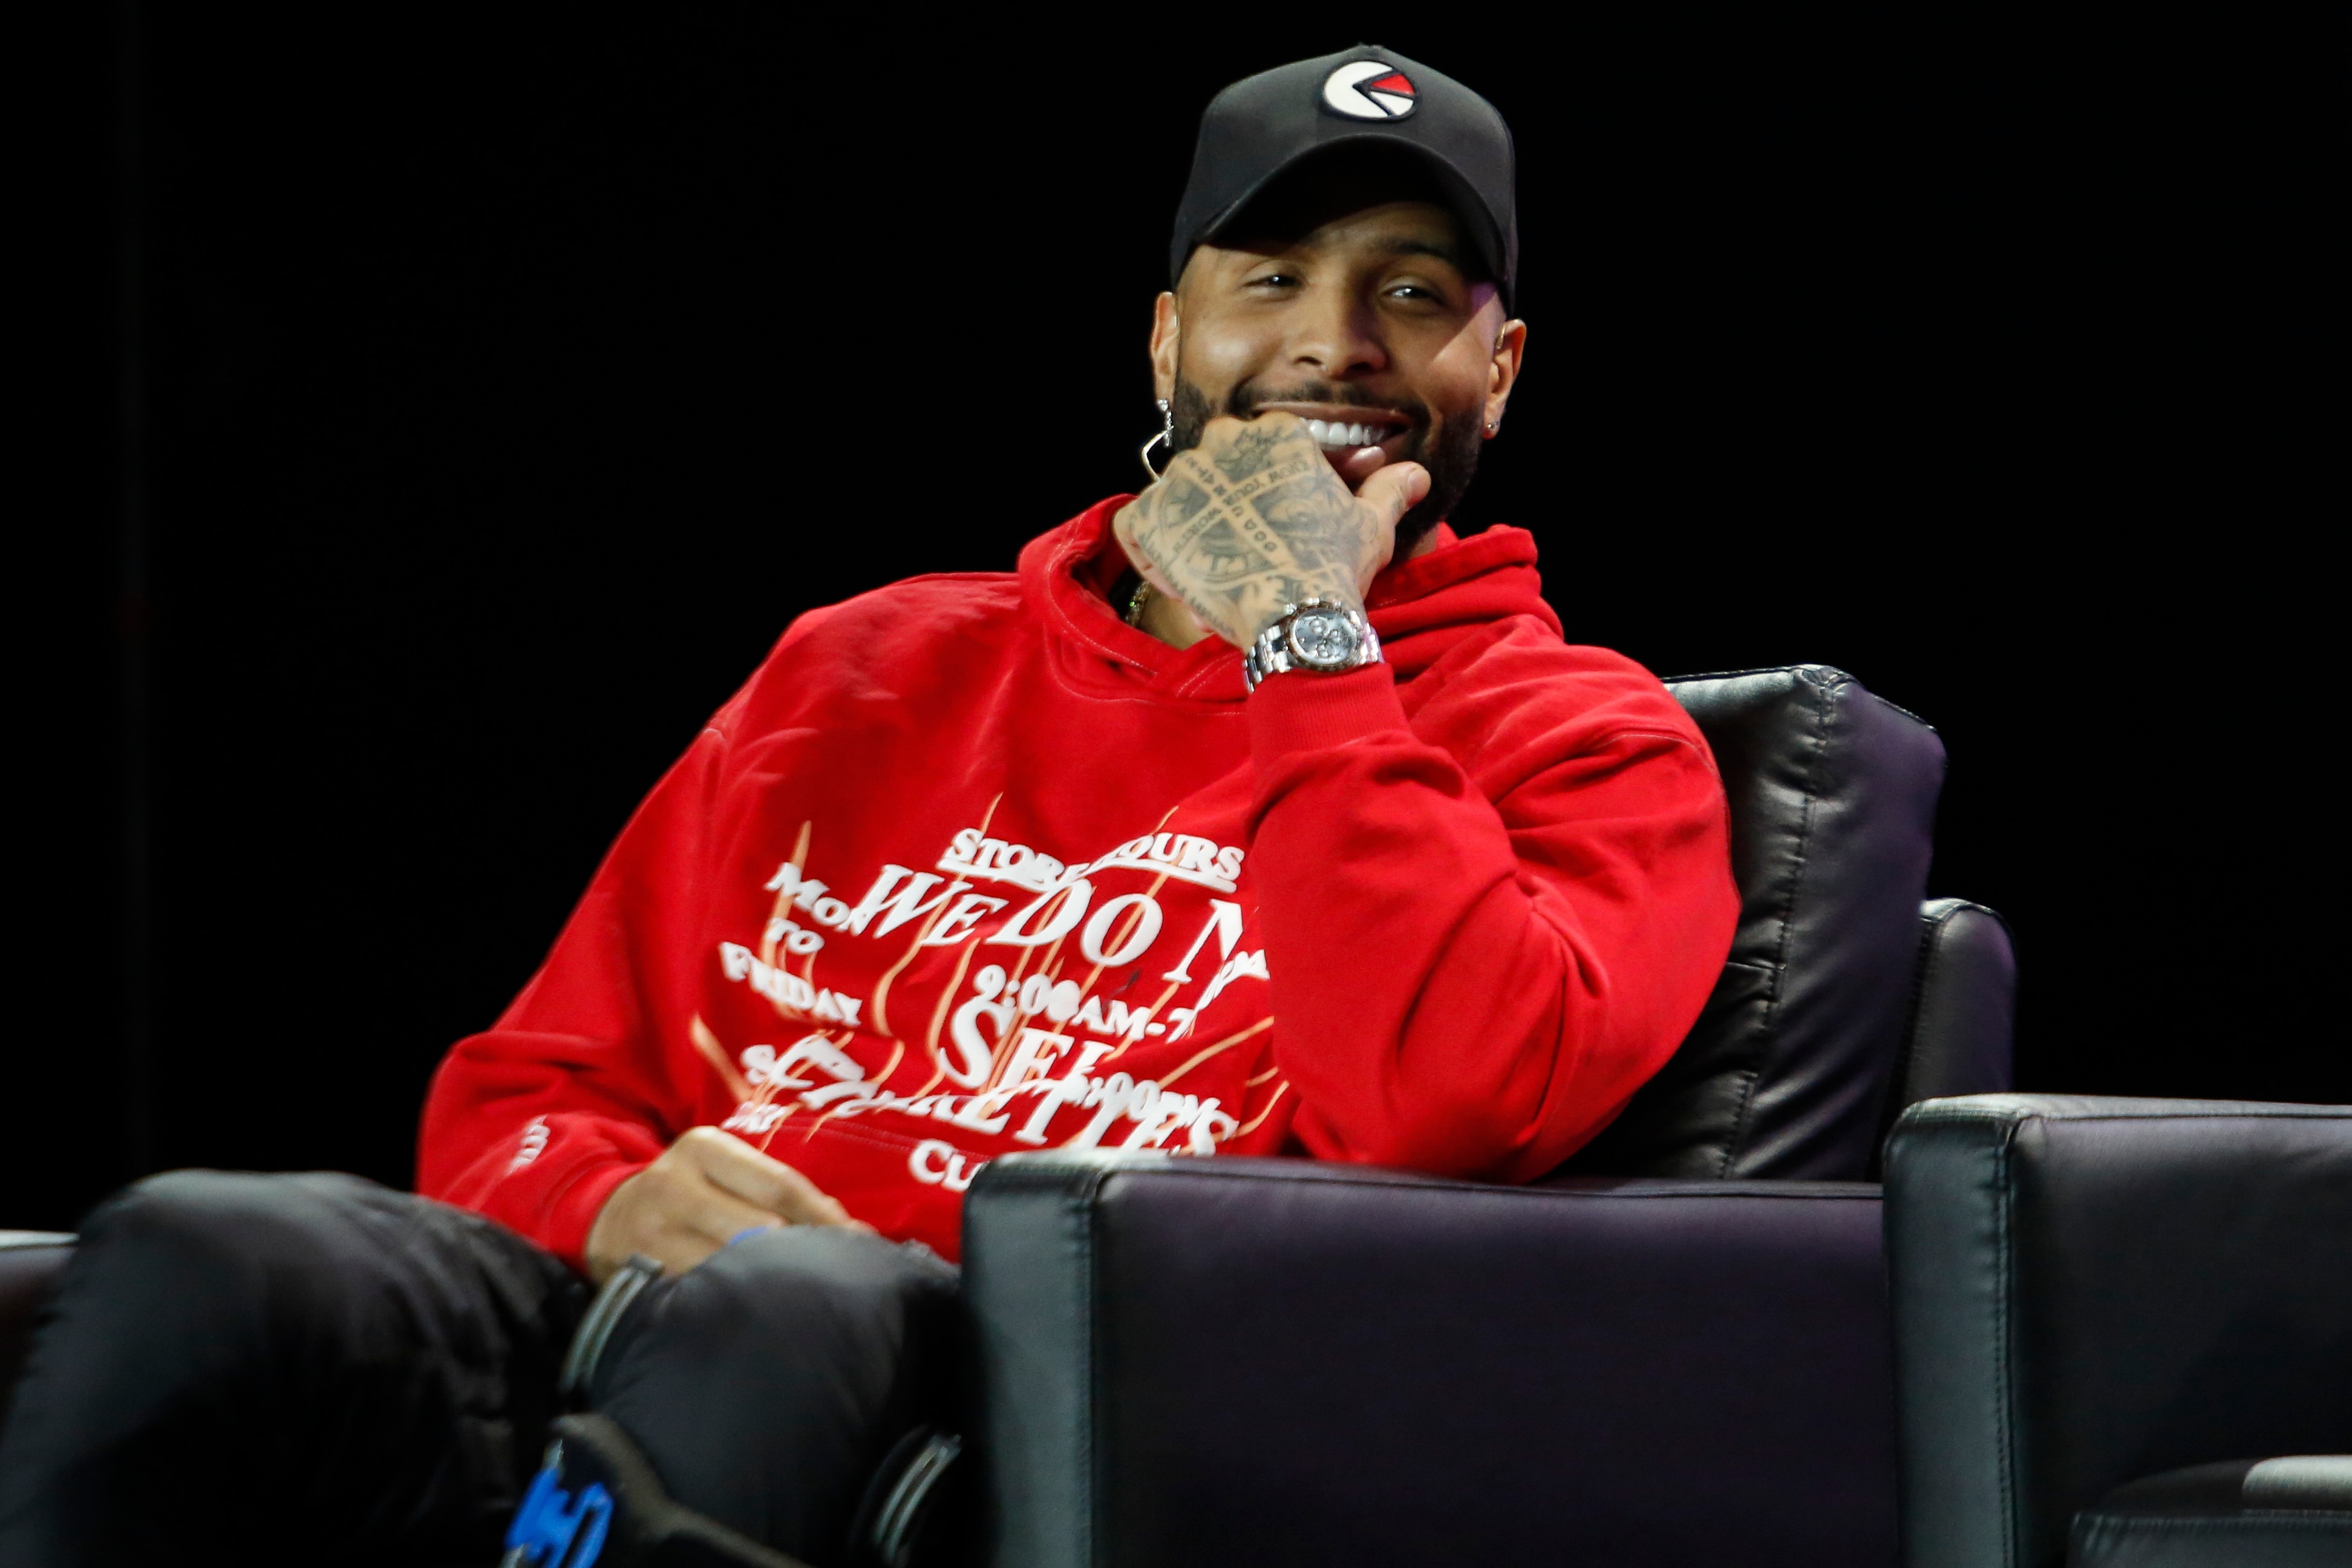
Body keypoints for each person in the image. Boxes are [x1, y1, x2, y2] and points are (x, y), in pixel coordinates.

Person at [0, 45, 1738, 1568]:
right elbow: (523, 1098)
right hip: (655, 1335)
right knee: (207, 1252)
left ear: (1501, 372)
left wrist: (1307, 635)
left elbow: (1455, 1105)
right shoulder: (869, 668)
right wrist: (609, 1206)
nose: (1331, 345)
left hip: (1050, 1394)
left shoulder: (1586, 740)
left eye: (1417, 295)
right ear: (1167, 340)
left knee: (793, 1304)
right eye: (1270, 277)